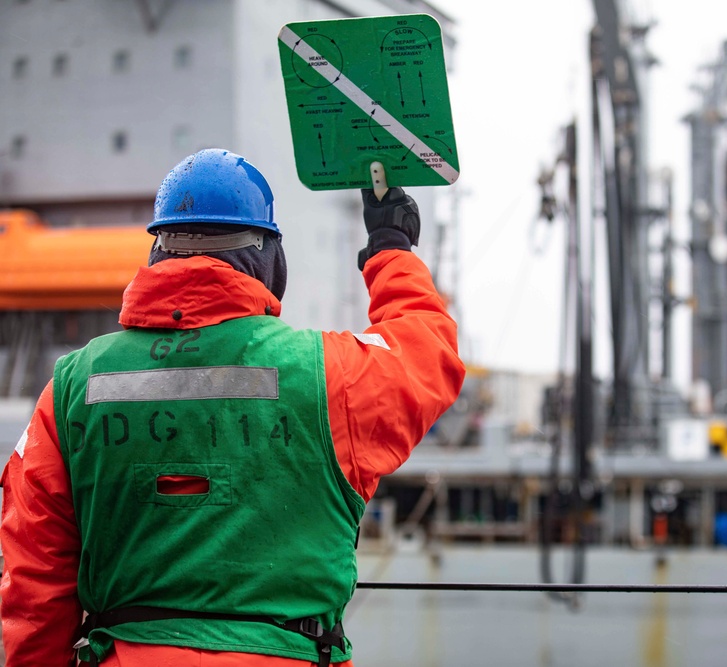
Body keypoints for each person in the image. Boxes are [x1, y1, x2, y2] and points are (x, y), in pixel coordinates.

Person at [0, 148, 465, 666]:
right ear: (271, 259)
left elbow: (34, 575)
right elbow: (426, 351)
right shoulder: (327, 374)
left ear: (156, 253)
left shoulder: (70, 387)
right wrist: (390, 247)